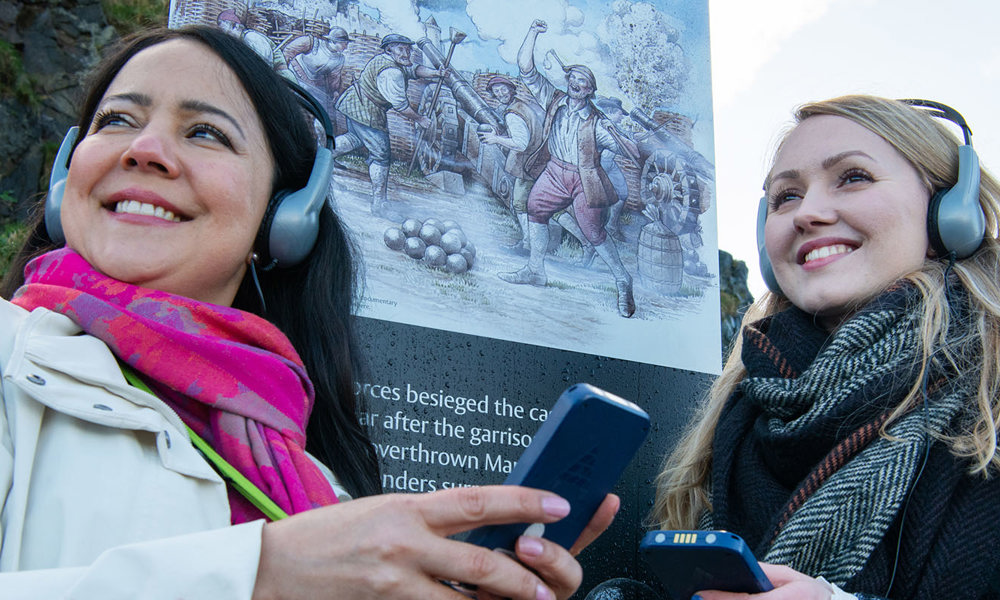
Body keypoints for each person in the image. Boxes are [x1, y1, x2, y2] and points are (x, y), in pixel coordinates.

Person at [0, 26, 618, 599]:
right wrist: (258, 574)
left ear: (286, 213)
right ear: (65, 178)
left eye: (206, 132)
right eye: (116, 120)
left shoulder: (325, 493)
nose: (145, 148)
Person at [643, 95, 1000, 599]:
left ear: (951, 212)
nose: (807, 213)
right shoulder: (728, 428)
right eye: (786, 197)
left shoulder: (992, 403)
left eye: (853, 177)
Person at [498, 19, 639, 319]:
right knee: (534, 208)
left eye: (583, 81)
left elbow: (633, 153)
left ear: (590, 90)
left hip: (583, 180)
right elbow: (526, 68)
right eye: (573, 77)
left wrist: (617, 134)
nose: (576, 82)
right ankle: (536, 270)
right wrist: (533, 32)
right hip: (553, 172)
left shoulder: (598, 124)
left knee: (593, 231)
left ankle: (622, 280)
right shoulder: (555, 100)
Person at [333, 33, 449, 218]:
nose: (406, 53)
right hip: (367, 112)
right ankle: (379, 204)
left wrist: (436, 73)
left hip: (355, 104)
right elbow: (401, 106)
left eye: (408, 49)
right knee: (381, 155)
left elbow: (414, 70)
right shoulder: (391, 73)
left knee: (354, 138)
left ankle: (320, 157)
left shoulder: (388, 61)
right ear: (389, 49)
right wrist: (420, 119)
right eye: (401, 49)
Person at [478, 74, 545, 251]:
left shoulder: (513, 114)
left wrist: (496, 139)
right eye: (496, 91)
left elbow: (521, 143)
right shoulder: (521, 105)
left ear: (510, 89)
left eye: (503, 89)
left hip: (527, 164)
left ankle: (527, 244)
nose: (500, 94)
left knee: (519, 204)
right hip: (538, 160)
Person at [282, 24, 351, 116]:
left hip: (313, 84)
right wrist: (283, 69)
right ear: (334, 41)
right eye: (344, 43)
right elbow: (289, 51)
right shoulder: (312, 42)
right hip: (295, 74)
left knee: (321, 107)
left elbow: (334, 76)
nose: (346, 47)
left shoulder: (339, 59)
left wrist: (334, 91)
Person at [216, 8, 295, 82]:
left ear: (235, 26)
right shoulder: (242, 41)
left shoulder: (250, 37)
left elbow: (265, 63)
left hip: (283, 79)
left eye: (227, 33)